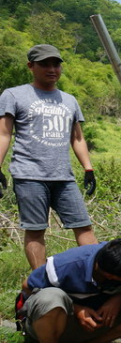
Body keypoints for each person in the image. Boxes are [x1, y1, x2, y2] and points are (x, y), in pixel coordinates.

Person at [0, 44, 97, 269]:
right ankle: (41, 282)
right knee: (35, 230)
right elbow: (4, 133)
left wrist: (88, 168)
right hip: (29, 175)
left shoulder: (69, 100)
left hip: (64, 177)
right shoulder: (14, 95)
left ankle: (96, 278)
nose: (52, 68)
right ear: (31, 66)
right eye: (45, 64)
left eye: (56, 64)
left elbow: (78, 138)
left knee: (83, 225)